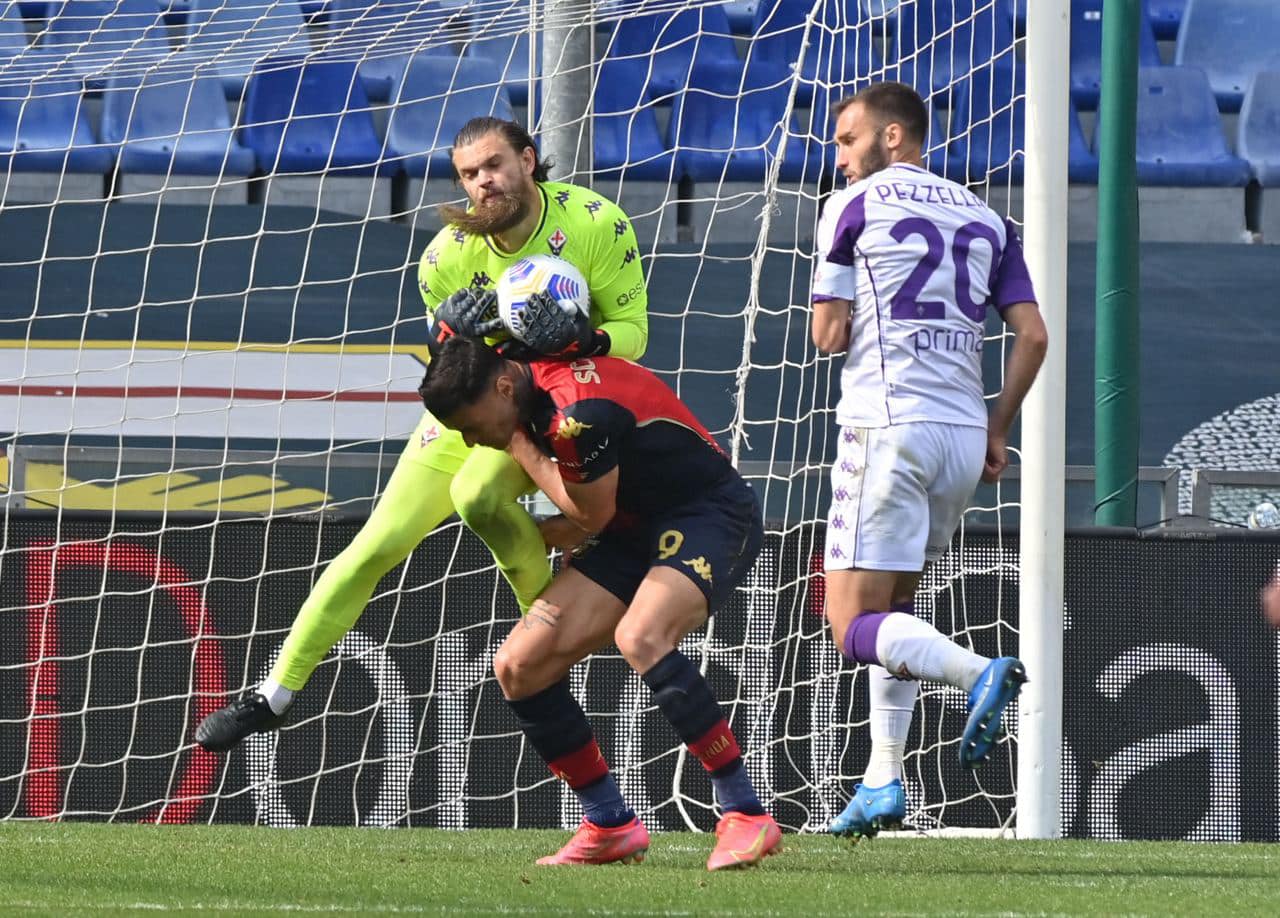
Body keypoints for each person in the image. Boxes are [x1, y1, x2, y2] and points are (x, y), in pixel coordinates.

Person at [196, 117, 649, 752]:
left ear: (528, 159)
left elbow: (634, 333)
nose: (483, 183)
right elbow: (447, 370)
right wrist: (446, 334)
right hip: (479, 408)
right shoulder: (446, 256)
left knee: (479, 498)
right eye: (469, 174)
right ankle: (275, 692)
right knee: (373, 545)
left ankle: (548, 646)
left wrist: (581, 338)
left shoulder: (597, 222)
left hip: (555, 408)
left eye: (494, 166)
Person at [417, 335, 782, 870]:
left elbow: (587, 518)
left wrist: (519, 444)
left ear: (502, 386)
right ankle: (609, 823)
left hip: (707, 515)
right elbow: (597, 519)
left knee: (640, 635)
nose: (474, 442)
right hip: (629, 530)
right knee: (520, 665)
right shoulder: (522, 381)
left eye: (472, 427)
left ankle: (745, 813)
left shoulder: (574, 417)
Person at [809, 82, 1049, 838]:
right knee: (895, 612)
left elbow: (826, 334)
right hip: (958, 434)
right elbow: (1034, 335)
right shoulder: (990, 218)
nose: (838, 157)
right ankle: (883, 775)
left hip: (887, 425)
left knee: (847, 620)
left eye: (846, 140)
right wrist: (997, 425)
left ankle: (977, 673)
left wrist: (846, 314)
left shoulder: (853, 205)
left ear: (891, 137)